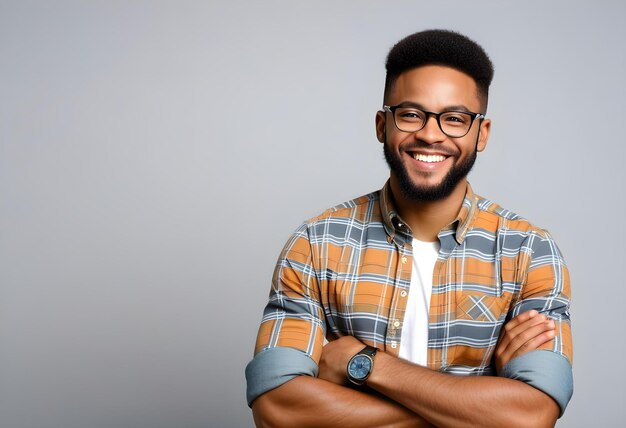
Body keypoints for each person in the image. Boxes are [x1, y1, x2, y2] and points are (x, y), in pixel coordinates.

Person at [245, 29, 573, 427]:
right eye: (411, 114)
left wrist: (361, 363)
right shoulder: (316, 244)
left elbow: (530, 416)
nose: (431, 134)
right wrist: (473, 413)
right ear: (383, 125)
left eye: (455, 118)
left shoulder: (528, 251)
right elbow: (278, 409)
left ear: (481, 134)